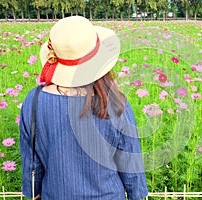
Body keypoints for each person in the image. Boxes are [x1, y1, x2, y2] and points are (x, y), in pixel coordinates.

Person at [19, 16, 148, 200]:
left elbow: (32, 162)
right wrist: (137, 195)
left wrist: (34, 192)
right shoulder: (114, 103)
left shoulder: (35, 100)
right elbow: (131, 168)